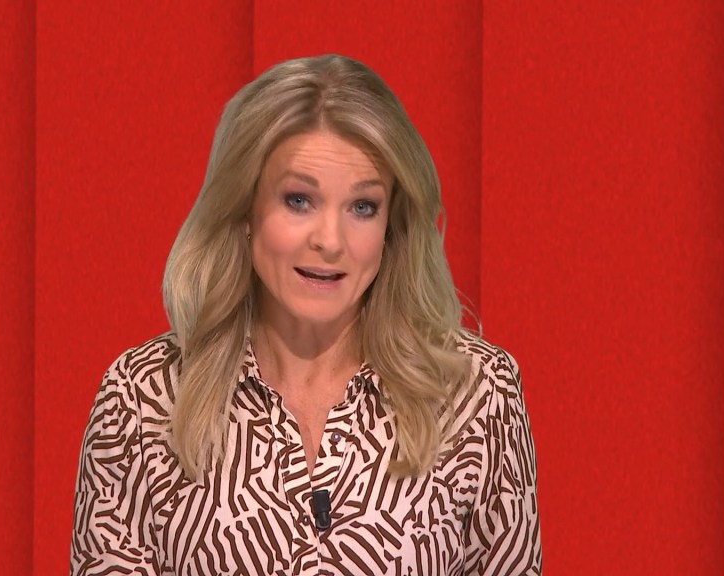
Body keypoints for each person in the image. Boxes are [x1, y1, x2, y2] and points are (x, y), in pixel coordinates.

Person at [70, 54, 541, 575]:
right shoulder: (142, 400)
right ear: (244, 210)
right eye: (299, 200)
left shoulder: (477, 393)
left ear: (391, 227)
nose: (330, 241)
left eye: (362, 207)